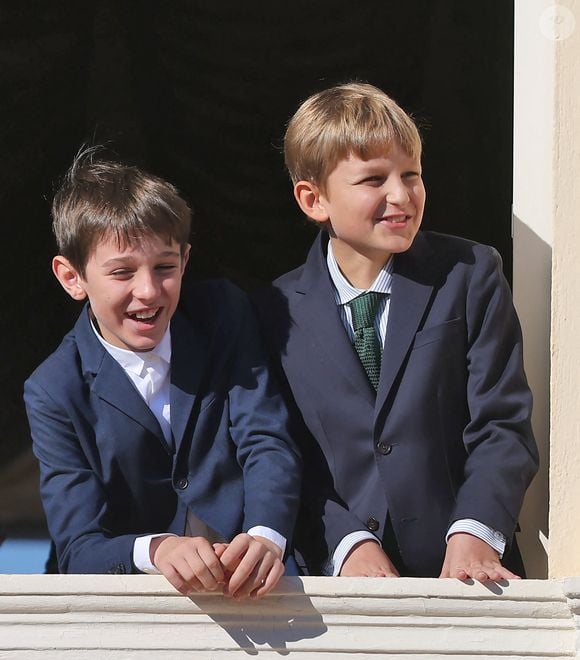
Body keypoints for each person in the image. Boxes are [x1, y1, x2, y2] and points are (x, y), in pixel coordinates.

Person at [256, 82, 538, 584]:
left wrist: (474, 532)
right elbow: (280, 452)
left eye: (411, 174)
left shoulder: (470, 275)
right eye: (373, 179)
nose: (400, 194)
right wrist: (346, 544)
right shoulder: (273, 312)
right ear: (313, 199)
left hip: (470, 580)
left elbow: (502, 424)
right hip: (337, 589)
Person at [24, 148, 301, 599]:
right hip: (133, 614)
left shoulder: (224, 314)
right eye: (122, 272)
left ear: (186, 261)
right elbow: (78, 547)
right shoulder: (52, 390)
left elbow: (266, 436)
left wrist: (267, 535)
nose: (149, 291)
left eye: (165, 268)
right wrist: (155, 549)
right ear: (72, 277)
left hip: (255, 591)